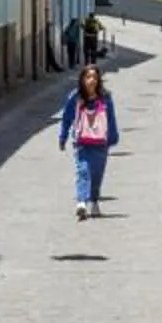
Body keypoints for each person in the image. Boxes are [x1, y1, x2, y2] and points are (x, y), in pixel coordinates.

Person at [59, 62, 119, 220]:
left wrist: (113, 137)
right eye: (88, 77)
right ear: (82, 79)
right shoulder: (75, 97)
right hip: (82, 143)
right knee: (83, 171)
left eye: (94, 77)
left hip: (100, 144)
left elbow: (111, 118)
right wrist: (63, 136)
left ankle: (93, 200)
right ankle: (81, 202)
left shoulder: (105, 98)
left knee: (97, 175)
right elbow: (66, 118)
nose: (91, 80)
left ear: (99, 80)